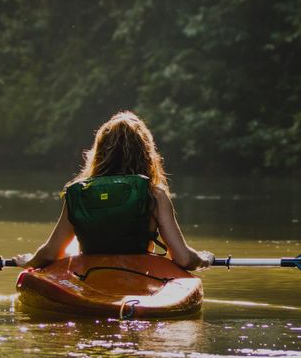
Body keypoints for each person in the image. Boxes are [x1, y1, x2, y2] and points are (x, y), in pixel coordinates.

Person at [14, 111, 214, 271]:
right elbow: (184, 259)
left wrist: (29, 261)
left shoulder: (79, 194)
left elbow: (51, 253)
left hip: (90, 276)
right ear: (146, 154)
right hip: (139, 276)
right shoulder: (154, 195)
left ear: (99, 152)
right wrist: (203, 259)